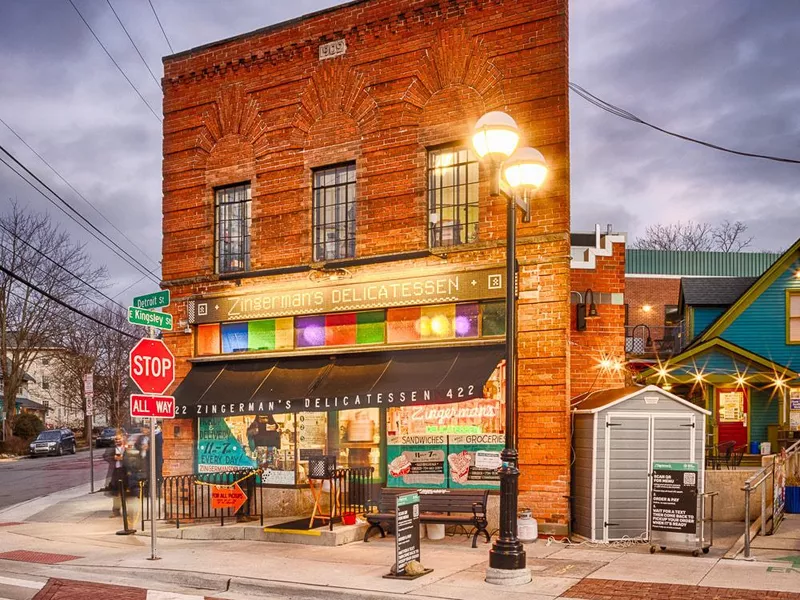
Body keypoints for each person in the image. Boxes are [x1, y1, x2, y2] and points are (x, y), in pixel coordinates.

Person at [105, 434, 127, 517]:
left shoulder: (127, 447)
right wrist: (113, 457)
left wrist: (124, 458)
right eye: (116, 439)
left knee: (126, 492)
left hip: (125, 472)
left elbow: (133, 457)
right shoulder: (112, 448)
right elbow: (106, 456)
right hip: (116, 472)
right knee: (116, 492)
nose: (117, 441)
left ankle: (126, 511)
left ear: (123, 439)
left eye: (119, 439)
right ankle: (116, 511)